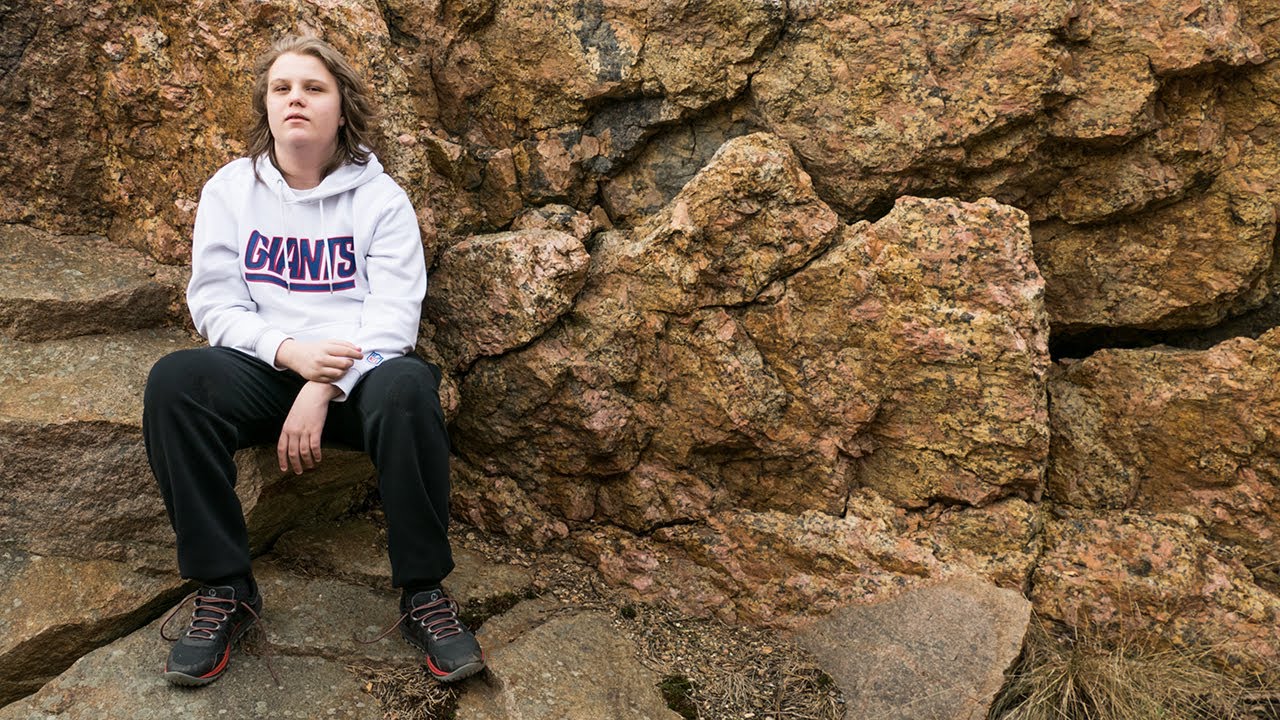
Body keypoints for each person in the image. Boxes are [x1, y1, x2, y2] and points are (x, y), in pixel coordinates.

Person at [143, 34, 484, 687]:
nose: (295, 98)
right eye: (282, 88)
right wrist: (291, 354)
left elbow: (393, 320)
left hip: (360, 379)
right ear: (267, 107)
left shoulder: (380, 200)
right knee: (174, 382)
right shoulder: (231, 190)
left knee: (409, 386)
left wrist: (322, 385)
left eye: (313, 88)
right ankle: (225, 588)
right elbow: (215, 303)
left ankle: (424, 594)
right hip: (267, 368)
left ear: (342, 108)